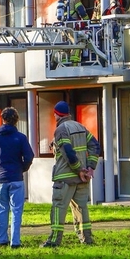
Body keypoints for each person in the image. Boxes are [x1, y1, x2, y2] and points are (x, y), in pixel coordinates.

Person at [42, 101, 101, 248]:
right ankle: (86, 239)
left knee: (58, 208)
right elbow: (95, 146)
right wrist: (90, 168)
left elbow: (68, 152)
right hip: (82, 179)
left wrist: (79, 169)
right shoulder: (80, 127)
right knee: (81, 209)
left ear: (56, 114)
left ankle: (54, 241)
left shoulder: (61, 129)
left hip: (65, 179)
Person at [0, 107, 35, 249]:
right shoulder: (20, 137)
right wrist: (22, 168)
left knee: (1, 210)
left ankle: (1, 240)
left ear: (2, 119)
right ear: (16, 120)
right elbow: (29, 156)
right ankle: (15, 241)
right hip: (16, 177)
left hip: (0, 178)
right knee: (16, 211)